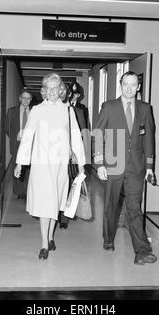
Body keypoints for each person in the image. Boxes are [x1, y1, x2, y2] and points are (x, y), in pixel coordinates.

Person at [14, 73, 86, 260]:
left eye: (56, 88)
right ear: (44, 90)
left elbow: (76, 138)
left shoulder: (68, 111)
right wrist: (20, 163)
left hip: (60, 164)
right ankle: (44, 244)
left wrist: (81, 164)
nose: (53, 91)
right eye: (49, 88)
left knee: (55, 202)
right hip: (41, 165)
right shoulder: (37, 110)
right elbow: (28, 137)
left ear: (61, 90)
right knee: (45, 202)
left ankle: (51, 236)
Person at [93, 71, 157, 265]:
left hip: (136, 168)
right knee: (111, 206)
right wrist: (99, 163)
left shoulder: (145, 109)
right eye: (125, 84)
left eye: (133, 85)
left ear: (138, 87)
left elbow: (148, 139)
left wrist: (149, 167)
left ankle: (142, 250)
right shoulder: (109, 107)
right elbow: (97, 134)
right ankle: (108, 238)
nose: (129, 88)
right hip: (113, 165)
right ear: (120, 85)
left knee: (134, 209)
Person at [58, 81, 90, 229]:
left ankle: (65, 217)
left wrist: (80, 157)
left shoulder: (79, 110)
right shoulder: (55, 109)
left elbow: (83, 134)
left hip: (72, 156)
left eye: (74, 93)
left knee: (70, 184)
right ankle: (57, 212)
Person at [5, 89, 33, 200]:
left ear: (31, 100)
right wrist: (15, 136)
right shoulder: (12, 111)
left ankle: (28, 190)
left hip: (31, 143)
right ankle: (19, 191)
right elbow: (7, 128)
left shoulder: (34, 111)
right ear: (20, 98)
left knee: (29, 167)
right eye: (24, 98)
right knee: (17, 166)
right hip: (17, 143)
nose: (26, 100)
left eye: (28, 98)